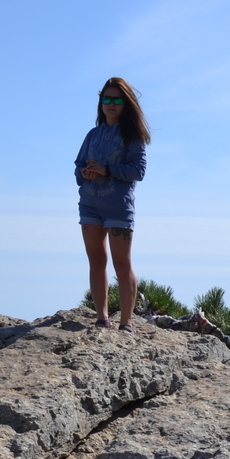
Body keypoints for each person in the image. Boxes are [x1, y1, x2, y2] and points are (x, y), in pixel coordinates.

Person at [75, 77, 150, 332]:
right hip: (90, 205)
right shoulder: (93, 134)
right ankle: (102, 318)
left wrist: (106, 170)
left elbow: (138, 171)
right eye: (106, 99)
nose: (111, 104)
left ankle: (126, 322)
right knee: (96, 261)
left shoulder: (133, 136)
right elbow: (78, 167)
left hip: (119, 207)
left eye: (117, 100)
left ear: (126, 104)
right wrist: (85, 173)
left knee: (122, 265)